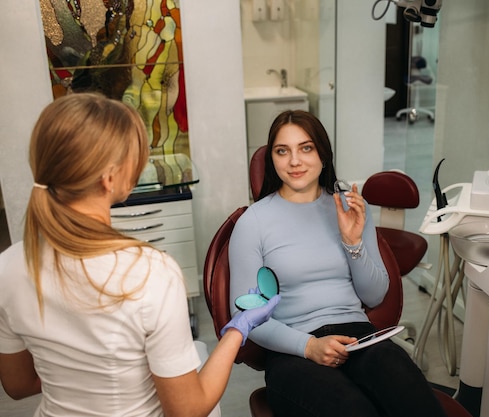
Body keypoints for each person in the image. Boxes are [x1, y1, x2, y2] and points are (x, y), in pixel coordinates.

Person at [0, 93, 279, 417]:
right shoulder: (150, 274)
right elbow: (188, 409)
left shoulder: (8, 267)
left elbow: (17, 385)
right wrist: (237, 329)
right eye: (134, 156)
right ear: (108, 178)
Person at [228, 110, 446, 417]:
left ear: (323, 153)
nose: (294, 161)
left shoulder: (350, 208)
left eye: (306, 148)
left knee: (410, 394)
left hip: (358, 336)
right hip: (292, 350)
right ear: (272, 160)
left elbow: (374, 295)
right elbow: (244, 314)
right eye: (282, 151)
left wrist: (352, 241)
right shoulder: (253, 223)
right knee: (353, 409)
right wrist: (308, 346)